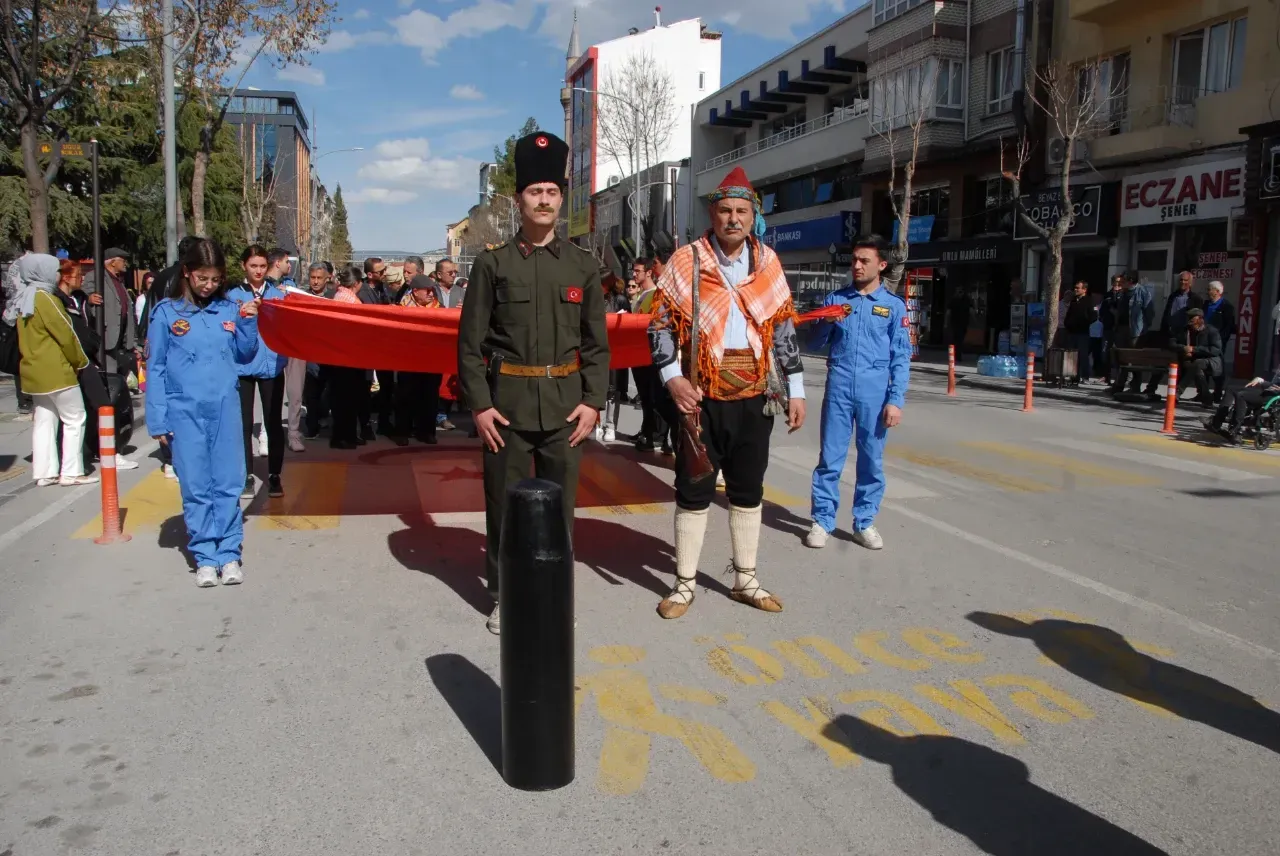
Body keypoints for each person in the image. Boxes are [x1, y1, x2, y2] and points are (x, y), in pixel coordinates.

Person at [458, 131, 609, 635]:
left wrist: (593, 402)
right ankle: (503, 594)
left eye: (551, 191)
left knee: (561, 508)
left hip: (566, 409)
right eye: (534, 191)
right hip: (507, 411)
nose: (543, 200)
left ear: (561, 199)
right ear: (519, 199)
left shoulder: (583, 266)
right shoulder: (492, 264)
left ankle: (552, 591)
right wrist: (479, 406)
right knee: (504, 507)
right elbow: (468, 343)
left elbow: (595, 344)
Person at [646, 165, 806, 620]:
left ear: (752, 215)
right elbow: (659, 324)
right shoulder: (687, 260)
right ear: (712, 214)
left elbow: (782, 328)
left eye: (741, 211)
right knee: (693, 488)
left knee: (748, 490)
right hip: (700, 397)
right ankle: (684, 585)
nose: (733, 219)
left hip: (754, 395)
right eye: (725, 210)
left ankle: (746, 581)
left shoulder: (768, 262)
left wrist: (796, 389)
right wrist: (673, 378)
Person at [146, 239, 261, 587]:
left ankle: (229, 554)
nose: (209, 285)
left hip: (225, 408)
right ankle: (205, 556)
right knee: (196, 485)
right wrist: (158, 418)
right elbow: (156, 368)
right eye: (202, 278)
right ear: (187, 273)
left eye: (215, 279)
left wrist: (248, 323)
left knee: (228, 483)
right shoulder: (166, 314)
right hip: (185, 411)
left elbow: (245, 354)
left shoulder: (229, 310)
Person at [805, 235, 909, 551]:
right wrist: (826, 323)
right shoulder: (836, 300)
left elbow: (901, 357)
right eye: (854, 260)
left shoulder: (893, 307)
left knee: (871, 461)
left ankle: (864, 523)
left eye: (864, 260)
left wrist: (895, 400)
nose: (857, 265)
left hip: (874, 394)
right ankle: (822, 521)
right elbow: (812, 344)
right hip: (838, 388)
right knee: (830, 458)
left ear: (881, 265)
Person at [14, 254, 98, 486]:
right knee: (75, 417)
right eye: (54, 270)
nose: (57, 274)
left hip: (32, 371)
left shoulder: (23, 298)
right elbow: (66, 334)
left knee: (44, 420)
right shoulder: (46, 299)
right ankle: (71, 471)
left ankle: (44, 472)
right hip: (57, 370)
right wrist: (81, 362)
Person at [56, 259, 139, 473]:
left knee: (92, 407)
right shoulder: (57, 300)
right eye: (77, 276)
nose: (82, 279)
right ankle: (103, 454)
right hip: (79, 360)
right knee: (100, 404)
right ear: (65, 277)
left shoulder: (78, 298)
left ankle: (75, 460)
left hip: (87, 356)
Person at [226, 245, 288, 499]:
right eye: (254, 266)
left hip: (272, 366)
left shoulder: (278, 295)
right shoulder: (232, 295)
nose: (259, 271)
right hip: (242, 366)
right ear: (244, 266)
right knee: (242, 424)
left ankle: (275, 476)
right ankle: (246, 476)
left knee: (273, 423)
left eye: (263, 266)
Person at [393, 274, 442, 446]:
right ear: (415, 291)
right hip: (408, 360)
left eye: (432, 290)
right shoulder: (401, 307)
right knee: (405, 396)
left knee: (429, 397)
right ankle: (402, 432)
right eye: (427, 290)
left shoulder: (439, 307)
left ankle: (427, 432)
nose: (431, 293)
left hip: (432, 360)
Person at [82, 247, 139, 381]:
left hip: (122, 335)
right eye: (122, 260)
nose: (125, 263)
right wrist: (89, 299)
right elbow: (84, 297)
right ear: (112, 262)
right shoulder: (95, 276)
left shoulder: (119, 280)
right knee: (108, 373)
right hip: (107, 334)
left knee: (118, 374)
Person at [327, 266, 367, 449]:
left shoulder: (339, 296)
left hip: (343, 354)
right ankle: (342, 436)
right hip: (347, 355)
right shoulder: (349, 300)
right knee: (346, 399)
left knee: (346, 398)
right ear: (357, 283)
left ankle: (348, 434)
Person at [630, 258, 667, 453]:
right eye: (633, 271)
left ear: (649, 273)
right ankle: (646, 429)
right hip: (638, 353)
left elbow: (655, 324)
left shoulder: (655, 295)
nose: (634, 274)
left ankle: (656, 435)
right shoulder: (640, 296)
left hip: (649, 354)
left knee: (654, 396)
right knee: (644, 397)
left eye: (638, 271)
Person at [1203, 367, 1280, 441]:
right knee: (1230, 388)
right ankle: (1217, 422)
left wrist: (1263, 382)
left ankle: (1236, 429)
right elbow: (1274, 383)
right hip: (1267, 388)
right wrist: (1261, 381)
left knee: (1241, 395)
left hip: (1272, 394)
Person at [599, 272, 631, 442]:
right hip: (597, 348)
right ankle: (597, 423)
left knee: (612, 388)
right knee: (597, 386)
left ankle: (610, 425)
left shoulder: (620, 300)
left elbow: (629, 324)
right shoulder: (594, 298)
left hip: (615, 349)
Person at [1172, 308, 1221, 406]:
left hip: (1212, 361)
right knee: (1196, 369)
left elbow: (1216, 350)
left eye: (1193, 320)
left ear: (1200, 319)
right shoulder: (1186, 330)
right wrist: (1184, 348)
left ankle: (1177, 393)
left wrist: (1194, 350)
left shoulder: (1211, 331)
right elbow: (1172, 343)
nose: (1190, 322)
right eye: (1189, 319)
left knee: (1197, 364)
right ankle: (1207, 398)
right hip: (1194, 361)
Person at [1202, 280, 1236, 403]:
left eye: (1210, 289)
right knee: (1203, 365)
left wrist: (1221, 340)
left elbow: (1228, 326)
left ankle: (1217, 393)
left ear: (1217, 292)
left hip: (1218, 342)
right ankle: (1203, 392)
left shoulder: (1226, 307)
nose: (1207, 291)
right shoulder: (1205, 304)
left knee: (1217, 368)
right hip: (1204, 340)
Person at [1062, 280, 1096, 380]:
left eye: (1078, 288)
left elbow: (1093, 316)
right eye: (1075, 287)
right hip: (1072, 332)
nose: (1075, 289)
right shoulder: (1073, 301)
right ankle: (1073, 376)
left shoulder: (1089, 301)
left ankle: (1085, 376)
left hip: (1082, 333)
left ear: (1084, 289)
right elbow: (1068, 315)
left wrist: (1084, 323)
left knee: (1083, 355)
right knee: (1072, 356)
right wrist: (1067, 324)